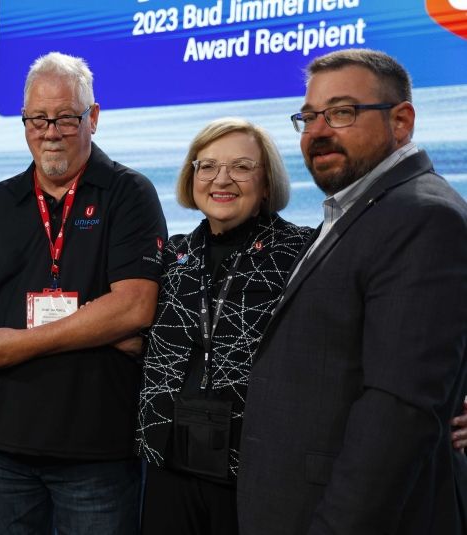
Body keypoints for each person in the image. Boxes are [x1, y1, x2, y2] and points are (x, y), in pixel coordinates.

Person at [237, 48, 467, 534]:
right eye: (308, 116)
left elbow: (397, 412)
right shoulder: (356, 210)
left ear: (401, 121)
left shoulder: (423, 217)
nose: (318, 131)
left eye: (342, 112)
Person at [0, 51, 166, 533]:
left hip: (95, 453)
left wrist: (22, 344)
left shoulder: (129, 193)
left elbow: (135, 305)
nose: (50, 131)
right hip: (3, 447)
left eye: (66, 118)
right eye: (37, 119)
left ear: (92, 117)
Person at [136, 118, 313, 535]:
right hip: (167, 458)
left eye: (242, 167)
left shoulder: (303, 252)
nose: (222, 179)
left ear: (266, 182)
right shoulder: (173, 255)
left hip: (257, 467)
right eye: (208, 166)